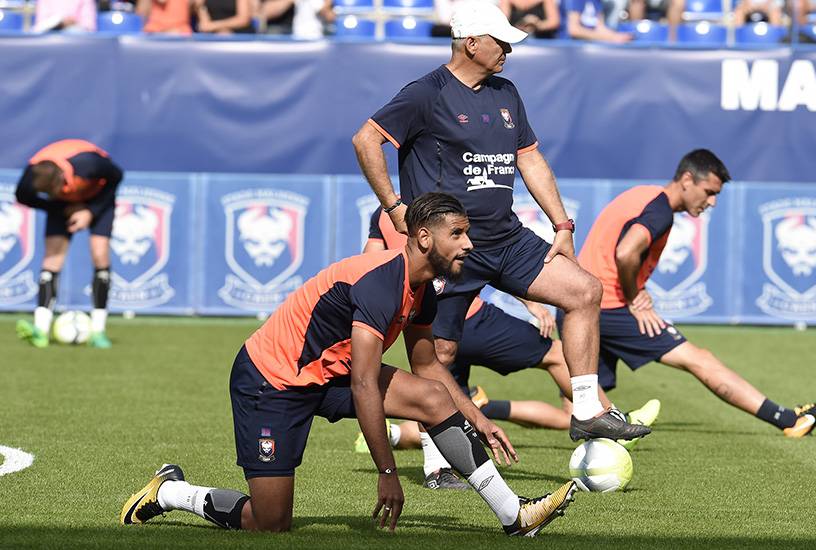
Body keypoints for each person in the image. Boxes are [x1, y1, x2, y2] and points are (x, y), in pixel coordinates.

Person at [121, 193, 577, 536]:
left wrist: (477, 418)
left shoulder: (424, 291)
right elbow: (363, 386)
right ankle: (170, 492)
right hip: (271, 380)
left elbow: (430, 368)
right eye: (457, 233)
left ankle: (513, 516)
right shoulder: (381, 283)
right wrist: (387, 473)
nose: (468, 244)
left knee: (434, 397)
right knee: (270, 523)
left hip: (332, 373)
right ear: (423, 237)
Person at [352, 0, 648, 444]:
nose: (509, 48)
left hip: (507, 239)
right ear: (470, 43)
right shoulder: (425, 93)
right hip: (451, 251)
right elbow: (366, 139)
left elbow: (529, 159)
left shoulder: (507, 93)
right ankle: (438, 456)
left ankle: (586, 409)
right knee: (439, 352)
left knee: (585, 291)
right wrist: (395, 209)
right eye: (500, 40)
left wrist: (562, 226)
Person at [358, 206, 659, 489]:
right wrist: (530, 300)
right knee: (556, 355)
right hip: (465, 316)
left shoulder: (386, 212)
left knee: (438, 399)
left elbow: (369, 263)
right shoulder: (445, 210)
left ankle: (422, 453)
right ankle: (604, 415)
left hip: (425, 317)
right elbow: (489, 262)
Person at [564, 149, 816, 438]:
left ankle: (509, 412)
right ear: (686, 179)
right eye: (708, 192)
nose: (712, 202)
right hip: (610, 306)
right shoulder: (659, 210)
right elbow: (626, 252)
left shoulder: (642, 195)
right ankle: (789, 420)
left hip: (581, 308)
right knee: (699, 359)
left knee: (579, 412)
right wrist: (635, 298)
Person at [15, 139, 123, 350]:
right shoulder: (32, 175)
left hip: (99, 199)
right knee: (52, 258)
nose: (55, 194)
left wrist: (90, 211)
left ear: (64, 178)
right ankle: (40, 330)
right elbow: (23, 197)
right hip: (63, 208)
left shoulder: (88, 164)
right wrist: (64, 208)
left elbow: (117, 176)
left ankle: (98, 331)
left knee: (100, 253)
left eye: (56, 190)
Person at [566, 0, 633, 42]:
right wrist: (611, 38)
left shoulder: (597, 1)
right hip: (571, 48)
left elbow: (600, 27)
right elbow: (574, 30)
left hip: (591, 46)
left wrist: (617, 36)